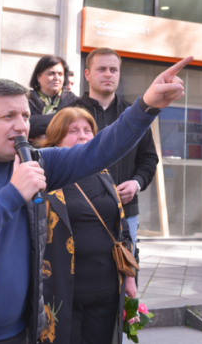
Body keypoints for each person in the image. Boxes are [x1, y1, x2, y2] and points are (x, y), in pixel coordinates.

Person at [0, 55, 191, 344]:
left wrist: (146, 105)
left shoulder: (36, 161)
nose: (21, 127)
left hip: (18, 332)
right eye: (7, 117)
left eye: (25, 116)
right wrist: (13, 194)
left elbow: (98, 151)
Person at [38, 107, 137, 344]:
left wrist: (130, 277)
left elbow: (121, 228)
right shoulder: (46, 178)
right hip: (64, 292)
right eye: (73, 131)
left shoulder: (103, 173)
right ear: (57, 139)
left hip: (106, 290)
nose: (83, 136)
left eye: (87, 130)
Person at [63, 48, 158, 255]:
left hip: (125, 214)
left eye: (113, 70)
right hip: (78, 212)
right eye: (102, 69)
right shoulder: (68, 114)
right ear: (87, 74)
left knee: (125, 278)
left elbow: (149, 158)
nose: (108, 74)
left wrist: (136, 183)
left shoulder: (136, 115)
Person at [27, 55, 77, 142]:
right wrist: (63, 120)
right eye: (51, 73)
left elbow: (76, 127)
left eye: (60, 74)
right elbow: (24, 125)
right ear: (38, 77)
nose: (57, 78)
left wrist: (36, 121)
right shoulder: (25, 100)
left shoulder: (75, 102)